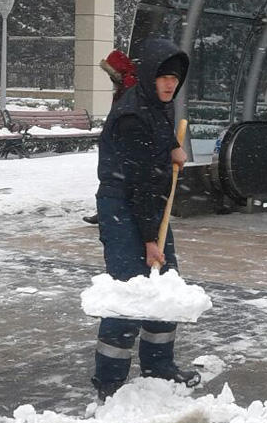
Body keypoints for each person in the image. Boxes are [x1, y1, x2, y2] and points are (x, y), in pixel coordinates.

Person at [91, 37, 200, 400]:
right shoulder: (131, 116)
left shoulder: (156, 105)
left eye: (176, 77)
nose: (170, 83)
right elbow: (138, 183)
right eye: (164, 76)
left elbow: (160, 135)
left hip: (150, 200)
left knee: (164, 281)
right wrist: (150, 240)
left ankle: (158, 365)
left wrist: (171, 145)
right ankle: (110, 380)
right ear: (150, 75)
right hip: (122, 203)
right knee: (131, 288)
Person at [83, 49, 139, 225]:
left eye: (110, 73)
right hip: (119, 141)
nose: (109, 78)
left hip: (122, 143)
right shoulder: (125, 85)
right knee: (113, 180)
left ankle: (108, 211)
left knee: (113, 180)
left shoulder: (129, 85)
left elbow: (125, 114)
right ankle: (107, 211)